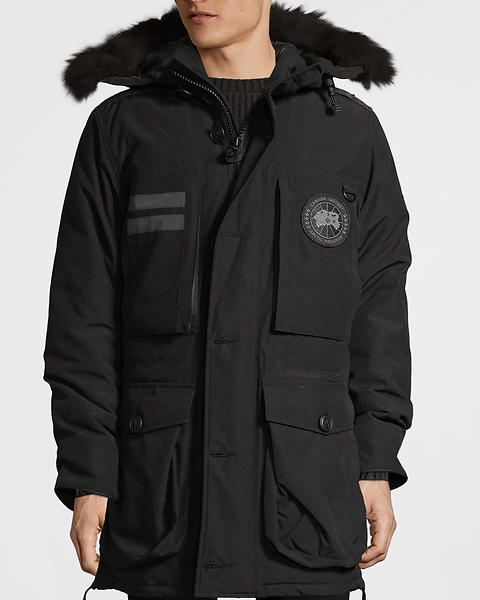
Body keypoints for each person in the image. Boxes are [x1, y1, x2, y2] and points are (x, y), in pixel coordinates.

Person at [43, 1, 413, 599]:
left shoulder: (347, 131)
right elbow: (82, 318)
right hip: (162, 500)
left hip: (303, 500)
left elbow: (379, 312)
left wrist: (374, 460)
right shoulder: (124, 128)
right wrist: (89, 472)